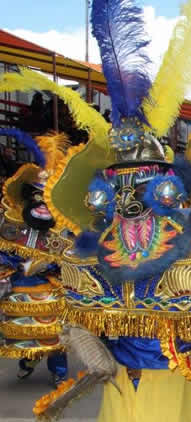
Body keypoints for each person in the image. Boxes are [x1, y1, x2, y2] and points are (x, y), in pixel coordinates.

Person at [1, 1, 191, 421]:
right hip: (123, 384)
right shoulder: (90, 249)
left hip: (182, 387)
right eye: (118, 188)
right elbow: (84, 316)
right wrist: (84, 336)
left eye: (143, 186)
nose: (131, 201)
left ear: (170, 186)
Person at [0, 129, 70, 386]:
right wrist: (10, 269)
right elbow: (4, 252)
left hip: (50, 292)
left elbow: (70, 259)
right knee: (25, 332)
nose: (41, 205)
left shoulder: (62, 230)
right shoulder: (12, 225)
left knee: (55, 335)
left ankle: (59, 370)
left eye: (47, 201)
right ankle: (28, 361)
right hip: (20, 290)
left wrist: (48, 264)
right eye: (37, 197)